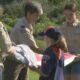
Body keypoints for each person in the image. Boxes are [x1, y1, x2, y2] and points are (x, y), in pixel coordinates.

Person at [3, 2, 43, 80]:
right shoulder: (22, 27)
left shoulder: (27, 24)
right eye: (36, 15)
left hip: (23, 59)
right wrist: (49, 53)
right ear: (29, 13)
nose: (37, 18)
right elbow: (32, 47)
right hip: (13, 61)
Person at [59, 3, 80, 80]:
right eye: (66, 15)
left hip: (78, 60)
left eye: (71, 14)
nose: (68, 17)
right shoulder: (62, 27)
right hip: (65, 60)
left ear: (76, 14)